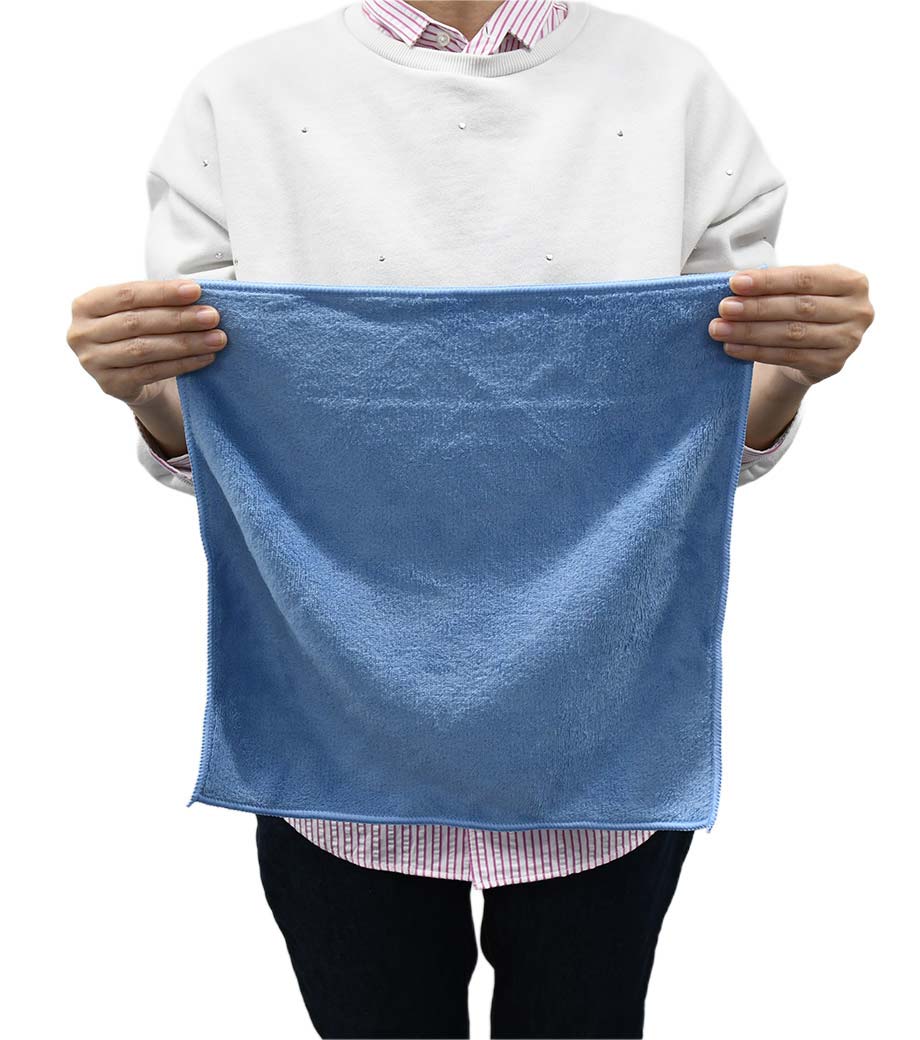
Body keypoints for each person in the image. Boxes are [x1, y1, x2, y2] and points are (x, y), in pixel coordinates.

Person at [66, 2, 874, 1037]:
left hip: (598, 726)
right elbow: (236, 443)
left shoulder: (671, 89)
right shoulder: (247, 97)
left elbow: (695, 436)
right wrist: (146, 388)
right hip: (337, 727)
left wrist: (791, 370)